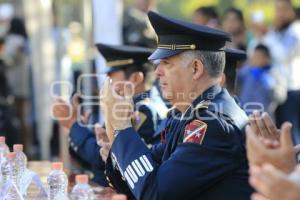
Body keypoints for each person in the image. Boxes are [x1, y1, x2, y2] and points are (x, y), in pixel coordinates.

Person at [101, 11, 253, 200]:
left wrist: (122, 129)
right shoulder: (187, 115)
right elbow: (143, 178)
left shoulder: (213, 124)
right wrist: (118, 141)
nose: (157, 72)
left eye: (166, 63)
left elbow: (156, 193)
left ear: (196, 68)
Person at [52, 43, 167, 186]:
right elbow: (98, 158)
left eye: (111, 79)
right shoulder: (132, 105)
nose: (106, 85)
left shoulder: (142, 110)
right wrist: (77, 129)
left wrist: (73, 126)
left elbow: (107, 159)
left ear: (136, 78)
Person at [238, 44, 285, 117]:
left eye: (258, 57)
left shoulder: (275, 73)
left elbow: (281, 98)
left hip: (264, 117)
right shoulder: (246, 71)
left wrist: (272, 88)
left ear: (266, 58)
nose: (253, 59)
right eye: (253, 56)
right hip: (244, 116)